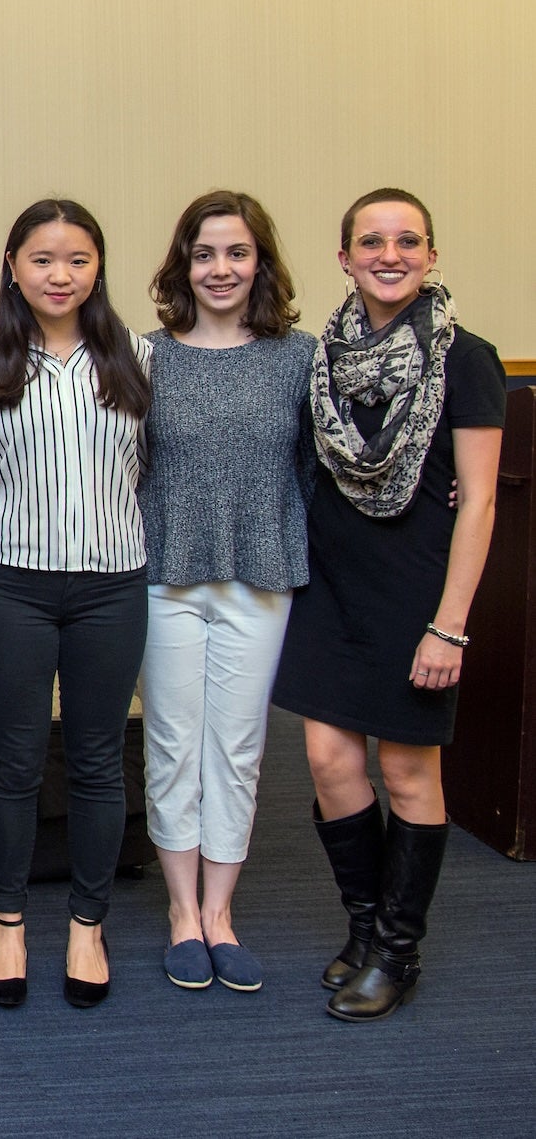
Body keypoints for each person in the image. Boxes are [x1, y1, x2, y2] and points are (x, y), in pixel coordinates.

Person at [272, 188, 504, 1022]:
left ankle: (398, 951)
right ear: (344, 258)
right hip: (331, 589)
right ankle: (364, 929)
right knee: (332, 764)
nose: (390, 253)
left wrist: (450, 624)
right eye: (372, 240)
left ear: (432, 256)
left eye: (409, 240)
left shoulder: (467, 359)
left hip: (417, 595)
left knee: (408, 770)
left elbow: (477, 502)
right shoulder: (319, 359)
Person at [0, 199, 152, 1009]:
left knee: (97, 758)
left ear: (98, 268)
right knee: (12, 761)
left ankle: (86, 922)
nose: (60, 274)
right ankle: (7, 922)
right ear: (13, 265)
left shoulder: (139, 357)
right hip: (11, 581)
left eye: (77, 258)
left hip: (112, 584)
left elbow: (168, 464)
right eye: (42, 258)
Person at [137, 191, 314, 994]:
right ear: (184, 263)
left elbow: (335, 464)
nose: (220, 269)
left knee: (236, 751)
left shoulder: (299, 356)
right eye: (204, 253)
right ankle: (180, 912)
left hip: (262, 573)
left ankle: (220, 913)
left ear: (260, 263)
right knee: (174, 743)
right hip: (165, 574)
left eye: (236, 253)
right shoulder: (147, 357)